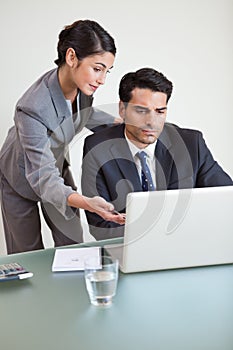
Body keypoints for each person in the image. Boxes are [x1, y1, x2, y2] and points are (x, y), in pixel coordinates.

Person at [0, 19, 125, 254]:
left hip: (55, 167)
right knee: (28, 253)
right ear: (71, 57)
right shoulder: (31, 107)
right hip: (19, 177)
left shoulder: (81, 85)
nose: (102, 80)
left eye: (106, 71)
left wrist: (125, 125)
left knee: (74, 245)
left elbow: (81, 115)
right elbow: (43, 177)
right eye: (97, 69)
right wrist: (87, 202)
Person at [81, 67, 233, 240]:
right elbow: (99, 226)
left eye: (160, 111)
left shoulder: (192, 144)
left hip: (186, 244)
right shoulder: (97, 148)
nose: (151, 122)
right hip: (129, 249)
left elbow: (226, 202)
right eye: (141, 111)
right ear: (122, 110)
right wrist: (155, 237)